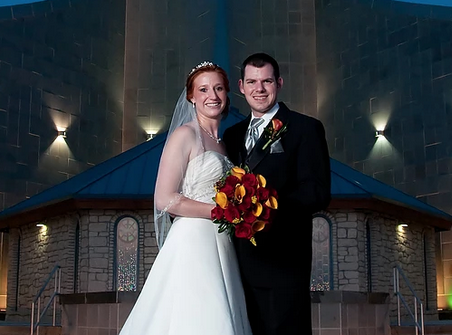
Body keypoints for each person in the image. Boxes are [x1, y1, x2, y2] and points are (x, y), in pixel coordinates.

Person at [118, 62, 252, 335]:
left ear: (227, 93)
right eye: (203, 89)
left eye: (218, 88)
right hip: (194, 239)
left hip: (223, 241)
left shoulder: (224, 144)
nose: (212, 96)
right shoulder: (185, 135)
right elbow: (164, 199)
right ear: (191, 96)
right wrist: (219, 212)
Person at [222, 52, 332, 335]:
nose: (259, 89)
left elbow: (318, 192)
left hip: (284, 260)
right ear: (241, 86)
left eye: (267, 81)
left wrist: (264, 205)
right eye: (252, 82)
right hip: (239, 262)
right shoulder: (231, 135)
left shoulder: (305, 128)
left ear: (279, 83)